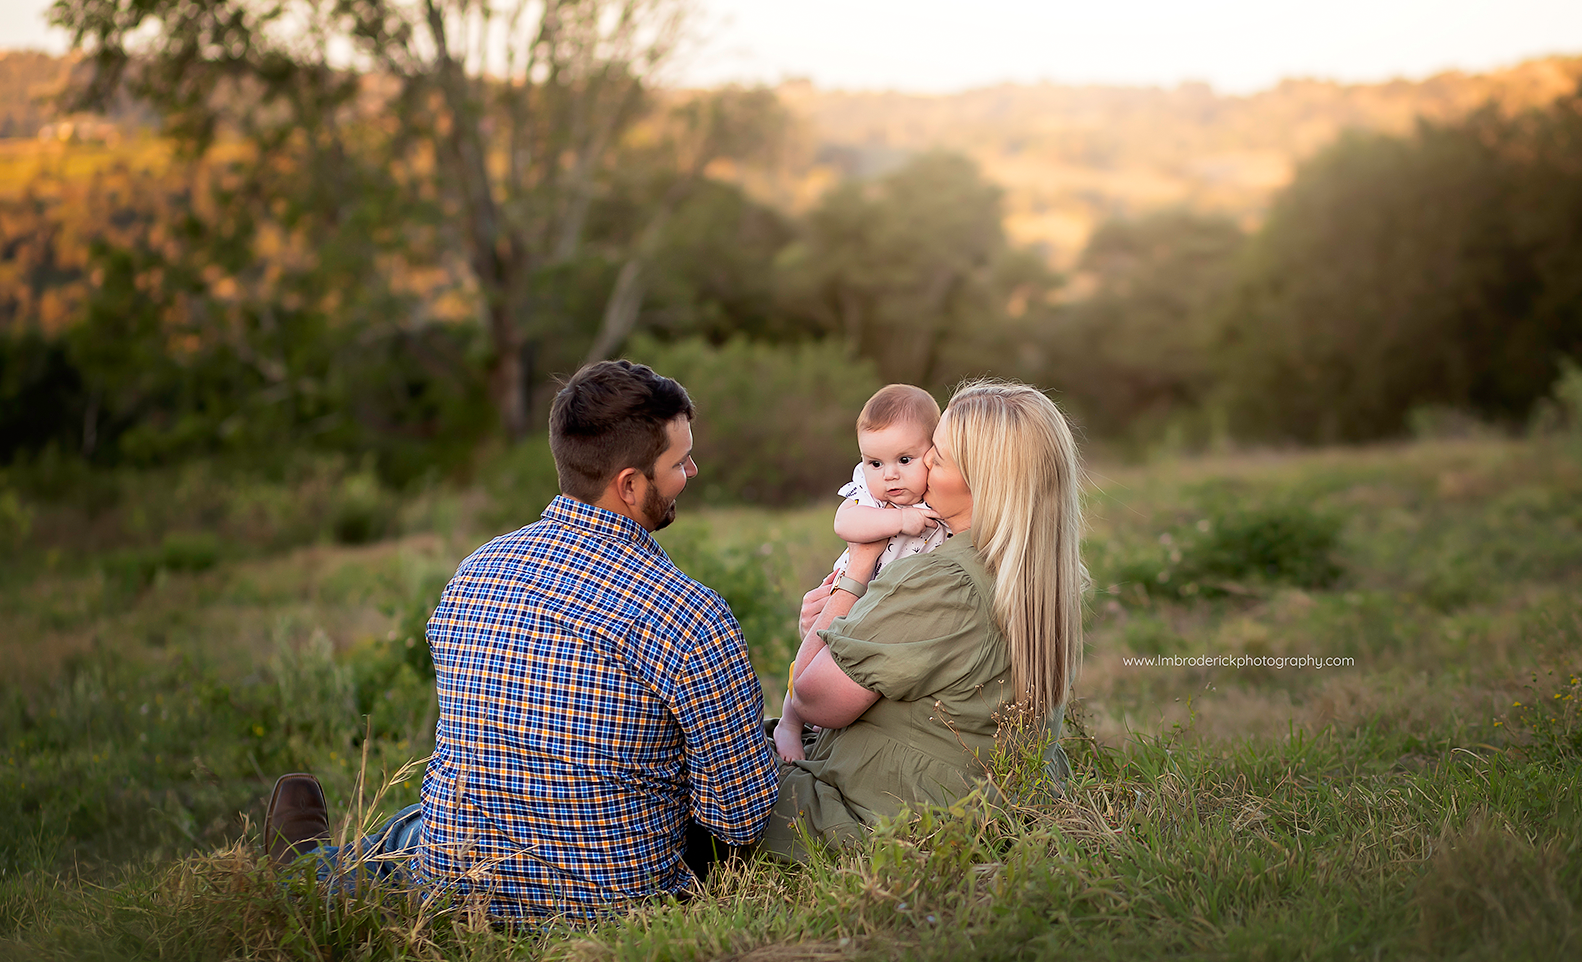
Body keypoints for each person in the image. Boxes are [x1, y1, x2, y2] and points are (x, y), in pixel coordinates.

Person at [262, 360, 780, 919]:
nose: (693, 472)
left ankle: (307, 868)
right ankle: (317, 865)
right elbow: (741, 817)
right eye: (680, 462)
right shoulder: (690, 613)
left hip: (456, 887)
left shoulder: (473, 572)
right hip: (613, 904)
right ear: (629, 485)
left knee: (412, 830)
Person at [760, 381, 1083, 857]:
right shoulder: (1036, 567)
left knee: (691, 769)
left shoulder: (942, 580)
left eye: (940, 455)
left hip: (886, 812)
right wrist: (834, 626)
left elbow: (812, 700)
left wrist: (854, 575)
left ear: (982, 480)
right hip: (980, 794)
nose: (924, 462)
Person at [828, 384, 950, 581]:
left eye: (904, 460)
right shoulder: (869, 495)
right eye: (876, 463)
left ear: (932, 453)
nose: (889, 475)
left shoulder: (944, 496)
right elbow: (843, 522)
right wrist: (900, 520)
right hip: (860, 593)